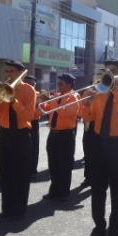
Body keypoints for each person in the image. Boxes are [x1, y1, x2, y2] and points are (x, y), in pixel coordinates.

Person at [81, 60, 118, 236]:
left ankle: (114, 230)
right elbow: (88, 118)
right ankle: (99, 227)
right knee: (97, 189)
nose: (109, 74)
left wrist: (116, 90)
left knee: (117, 191)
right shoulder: (99, 92)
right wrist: (86, 103)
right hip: (99, 144)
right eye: (107, 71)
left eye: (113, 71)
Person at [0, 60, 35, 218]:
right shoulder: (2, 89)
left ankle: (19, 210)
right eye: (6, 71)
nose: (8, 74)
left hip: (21, 136)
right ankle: (6, 209)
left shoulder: (29, 90)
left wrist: (13, 100)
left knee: (21, 174)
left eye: (11, 71)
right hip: (5, 134)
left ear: (20, 73)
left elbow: (28, 116)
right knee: (5, 173)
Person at [39, 73, 79, 202]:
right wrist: (42, 101)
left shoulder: (74, 97)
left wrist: (53, 101)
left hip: (66, 135)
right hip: (54, 133)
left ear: (69, 84)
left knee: (64, 165)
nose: (58, 86)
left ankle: (63, 192)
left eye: (61, 84)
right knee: (53, 164)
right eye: (58, 83)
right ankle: (54, 190)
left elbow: (67, 112)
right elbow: (48, 109)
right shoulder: (57, 96)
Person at [24, 75, 41, 178]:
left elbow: (41, 112)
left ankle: (32, 169)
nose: (30, 86)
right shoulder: (20, 94)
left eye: (32, 84)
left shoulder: (38, 95)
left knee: (34, 147)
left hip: (34, 123)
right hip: (23, 122)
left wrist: (39, 105)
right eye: (28, 84)